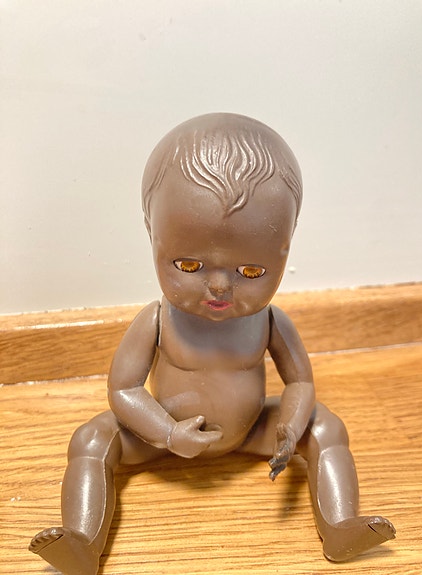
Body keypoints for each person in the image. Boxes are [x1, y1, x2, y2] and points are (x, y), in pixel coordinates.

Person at [30, 113, 395, 574]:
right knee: (91, 438)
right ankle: (82, 541)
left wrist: (290, 425)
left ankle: (341, 527)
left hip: (251, 428)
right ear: (152, 234)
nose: (219, 287)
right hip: (163, 434)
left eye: (251, 272)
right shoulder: (158, 319)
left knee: (325, 428)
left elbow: (300, 381)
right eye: (188, 265)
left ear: (285, 248)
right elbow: (123, 389)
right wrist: (167, 433)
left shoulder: (268, 320)